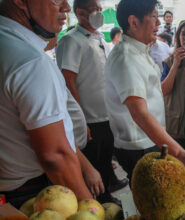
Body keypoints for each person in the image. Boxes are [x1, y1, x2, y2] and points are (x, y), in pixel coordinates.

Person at [0, 0, 92, 208]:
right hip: (34, 195)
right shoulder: (28, 61)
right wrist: (89, 206)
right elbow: (54, 156)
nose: (66, 8)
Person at [105, 0, 185, 183]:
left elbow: (153, 93)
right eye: (153, 17)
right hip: (140, 145)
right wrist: (179, 152)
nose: (159, 23)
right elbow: (139, 113)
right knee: (151, 197)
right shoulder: (126, 58)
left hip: (150, 139)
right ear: (134, 22)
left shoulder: (140, 52)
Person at [56, 0, 123, 204]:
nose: (100, 14)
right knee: (92, 163)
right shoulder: (71, 41)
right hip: (89, 117)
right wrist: (79, 119)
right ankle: (98, 201)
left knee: (105, 158)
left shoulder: (98, 38)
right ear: (80, 13)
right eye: (95, 10)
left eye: (101, 9)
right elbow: (68, 80)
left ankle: (108, 190)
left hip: (106, 114)